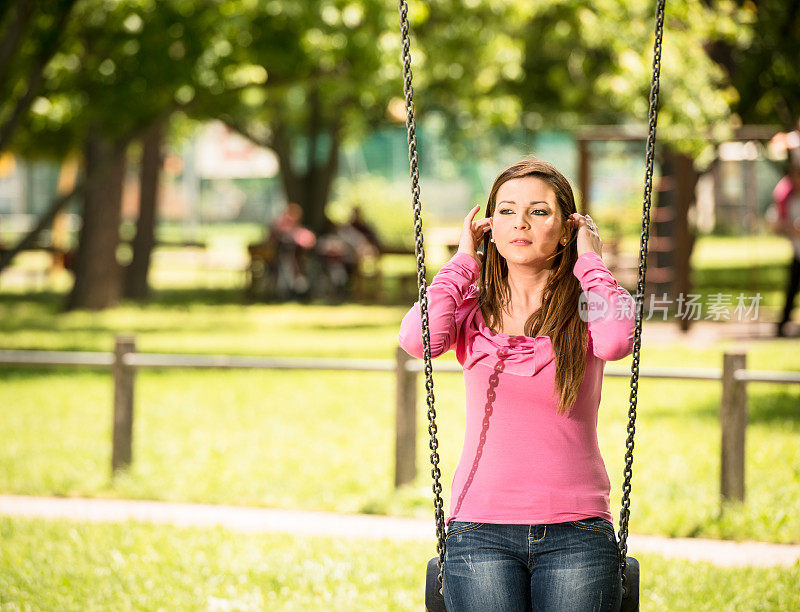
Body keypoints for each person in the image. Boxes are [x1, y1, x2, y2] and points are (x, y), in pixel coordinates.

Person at [398, 159, 635, 611]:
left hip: (578, 530)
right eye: (506, 211)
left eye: (539, 211)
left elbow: (619, 340)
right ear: (489, 226)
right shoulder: (469, 309)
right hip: (479, 529)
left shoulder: (588, 305)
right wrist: (464, 261)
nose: (520, 223)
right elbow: (416, 340)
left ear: (567, 229)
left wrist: (590, 261)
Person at [766, 149, 800, 337]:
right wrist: (791, 229)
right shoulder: (787, 197)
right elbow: (774, 223)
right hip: (797, 250)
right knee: (791, 289)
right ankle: (782, 325)